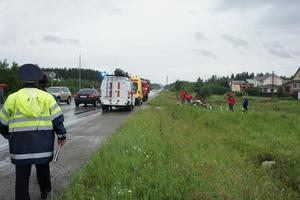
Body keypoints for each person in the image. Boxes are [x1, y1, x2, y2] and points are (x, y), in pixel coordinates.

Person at [0, 64, 67, 200]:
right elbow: (57, 120)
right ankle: (46, 195)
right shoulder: (48, 98)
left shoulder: (12, 98)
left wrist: (10, 136)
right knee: (43, 172)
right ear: (37, 80)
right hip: (43, 145)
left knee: (21, 178)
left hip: (20, 146)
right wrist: (61, 135)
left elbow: (2, 124)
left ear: (21, 80)